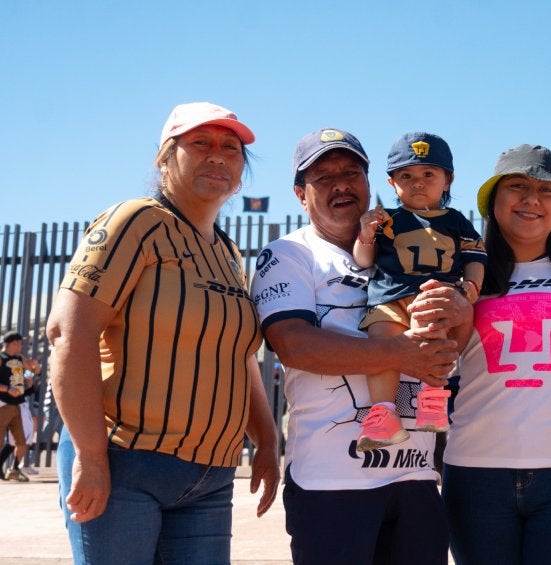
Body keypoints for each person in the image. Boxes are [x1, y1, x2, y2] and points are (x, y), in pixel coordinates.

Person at [45, 102, 280, 564]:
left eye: (230, 148)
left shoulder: (229, 254)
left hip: (211, 477)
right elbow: (68, 332)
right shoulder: (135, 221)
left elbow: (239, 356)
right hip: (125, 463)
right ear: (166, 158)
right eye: (200, 143)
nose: (217, 155)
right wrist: (91, 456)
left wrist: (268, 441)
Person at [250, 128, 471, 565]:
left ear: (370, 183)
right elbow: (295, 345)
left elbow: (451, 347)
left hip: (416, 476)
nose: (341, 185)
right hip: (331, 484)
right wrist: (402, 353)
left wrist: (462, 310)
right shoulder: (290, 254)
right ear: (301, 194)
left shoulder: (413, 246)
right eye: (323, 177)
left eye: (351, 173)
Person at [442, 144, 551, 564]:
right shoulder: (461, 276)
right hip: (475, 471)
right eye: (517, 186)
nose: (532, 199)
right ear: (493, 200)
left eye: (546, 190)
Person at [353, 132, 486, 450]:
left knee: (434, 338)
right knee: (380, 348)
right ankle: (383, 414)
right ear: (392, 183)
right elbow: (364, 260)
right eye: (406, 176)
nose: (417, 183)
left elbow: (475, 258)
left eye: (428, 174)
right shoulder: (387, 219)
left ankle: (433, 397)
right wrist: (366, 234)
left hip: (434, 294)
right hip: (387, 296)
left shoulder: (457, 222)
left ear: (448, 180)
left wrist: (470, 287)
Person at [0, 331, 39, 482]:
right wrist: (7, 389)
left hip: (19, 404)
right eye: (21, 343)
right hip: (3, 403)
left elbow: (32, 371)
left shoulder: (19, 358)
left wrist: (35, 369)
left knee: (24, 438)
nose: (22, 345)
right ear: (14, 343)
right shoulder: (1, 358)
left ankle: (14, 469)